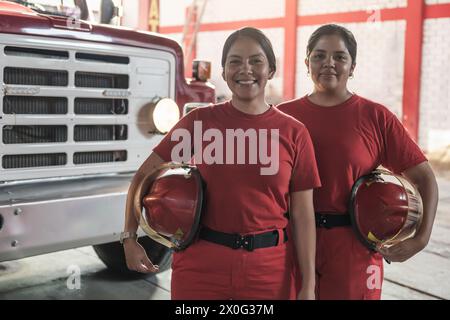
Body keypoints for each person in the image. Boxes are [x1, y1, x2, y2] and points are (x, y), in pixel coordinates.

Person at [122, 27, 321, 300]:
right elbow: (144, 176)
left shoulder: (293, 133)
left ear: (271, 70)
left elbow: (303, 216)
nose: (245, 69)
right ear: (225, 71)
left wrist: (308, 285)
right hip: (200, 268)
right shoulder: (198, 123)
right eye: (235, 61)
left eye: (256, 61)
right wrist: (129, 238)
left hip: (268, 271)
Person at [278, 24, 439, 300]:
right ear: (307, 63)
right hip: (289, 244)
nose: (328, 63)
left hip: (353, 248)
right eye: (319, 56)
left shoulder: (375, 117)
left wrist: (420, 239)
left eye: (339, 57)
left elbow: (425, 178)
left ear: (352, 66)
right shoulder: (281, 118)